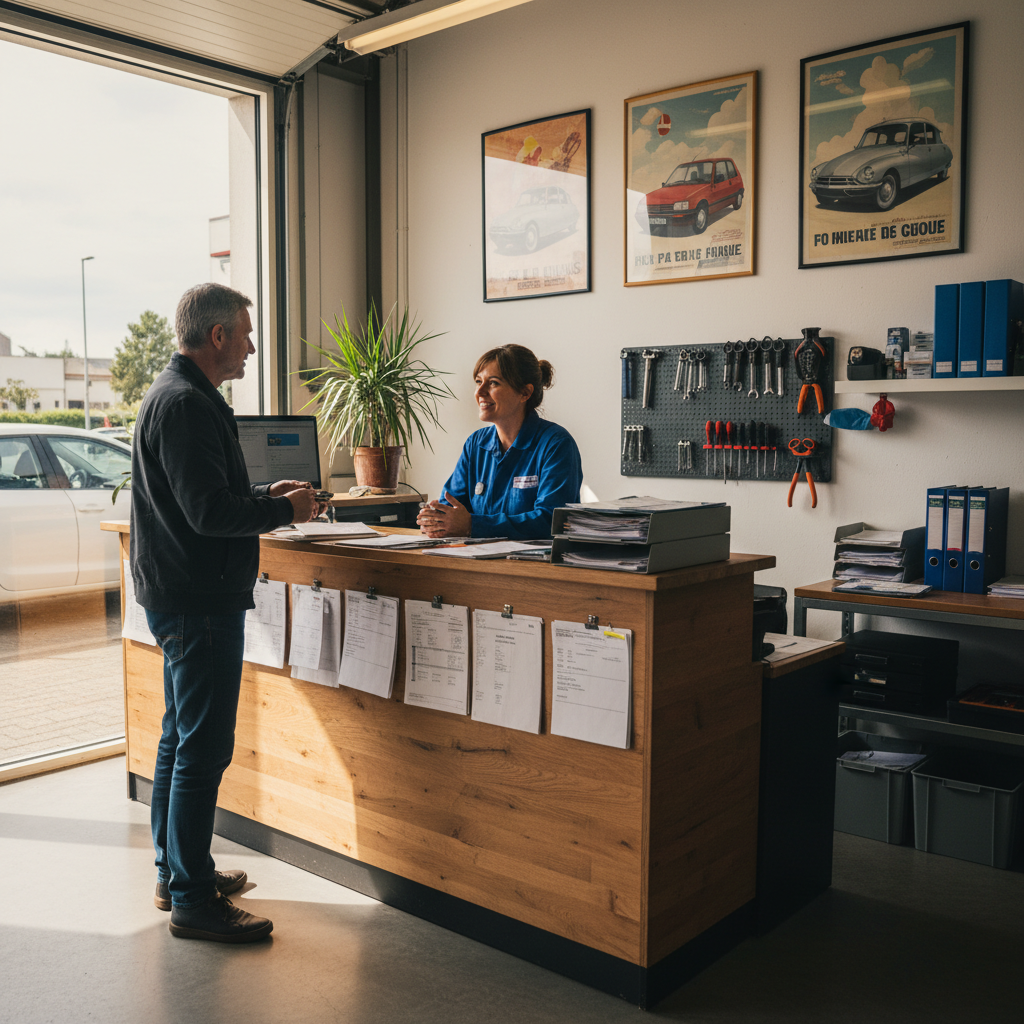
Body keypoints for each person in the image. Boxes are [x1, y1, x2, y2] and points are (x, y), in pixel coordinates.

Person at [130, 283, 325, 943]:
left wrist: (269, 492)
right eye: (244, 332)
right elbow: (209, 514)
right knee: (201, 751)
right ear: (216, 336)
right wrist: (283, 512)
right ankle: (193, 899)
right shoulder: (185, 403)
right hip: (199, 603)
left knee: (179, 741)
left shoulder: (179, 395)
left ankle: (175, 873)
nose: (248, 344)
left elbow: (209, 493)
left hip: (184, 596)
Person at [416, 344, 582, 540]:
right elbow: (450, 507)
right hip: (476, 561)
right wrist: (435, 518)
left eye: (493, 383)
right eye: (478, 381)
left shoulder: (556, 444)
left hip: (535, 567)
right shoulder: (475, 444)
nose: (480, 392)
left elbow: (551, 520)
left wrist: (473, 525)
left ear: (525, 393)